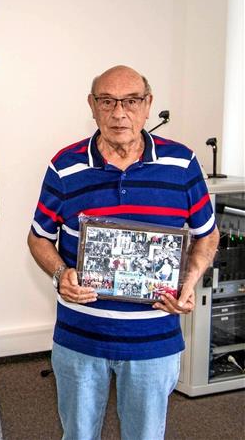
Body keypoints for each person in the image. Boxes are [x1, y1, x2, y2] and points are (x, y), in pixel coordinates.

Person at [27, 65, 219, 439]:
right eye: (107, 101)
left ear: (148, 105)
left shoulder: (182, 164)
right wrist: (59, 274)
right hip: (80, 337)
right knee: (78, 435)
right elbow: (38, 237)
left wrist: (189, 282)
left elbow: (206, 236)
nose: (119, 113)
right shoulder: (65, 165)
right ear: (92, 106)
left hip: (154, 340)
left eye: (131, 101)